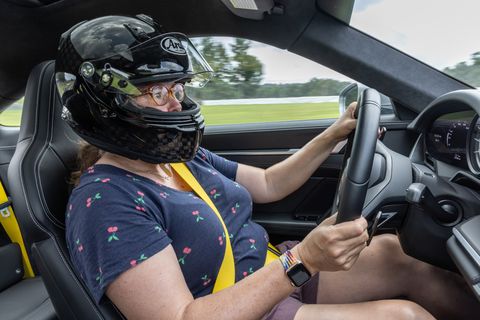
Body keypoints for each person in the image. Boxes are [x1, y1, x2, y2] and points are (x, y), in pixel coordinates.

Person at [56, 15, 479, 320]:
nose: (178, 104)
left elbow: (269, 183)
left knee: (395, 251)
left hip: (265, 276)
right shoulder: (105, 203)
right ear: (104, 105)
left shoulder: (176, 158)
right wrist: (303, 261)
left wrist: (334, 134)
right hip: (243, 307)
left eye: (178, 87)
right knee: (401, 317)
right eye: (156, 92)